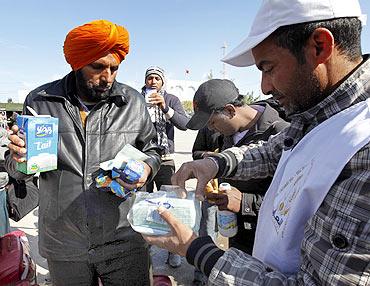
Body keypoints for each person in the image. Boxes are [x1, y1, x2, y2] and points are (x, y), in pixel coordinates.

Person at [143, 0, 370, 285]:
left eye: (268, 67)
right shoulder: (318, 112)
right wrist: (215, 163)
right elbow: (275, 150)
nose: (264, 87)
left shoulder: (363, 149)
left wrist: (195, 249)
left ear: (319, 47)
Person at [6, 20, 161, 286]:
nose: (108, 77)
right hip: (64, 242)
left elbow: (153, 150)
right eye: (98, 67)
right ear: (77, 63)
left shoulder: (133, 102)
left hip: (123, 239)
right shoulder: (41, 101)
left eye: (114, 68)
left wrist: (146, 168)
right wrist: (19, 159)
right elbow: (16, 168)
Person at [188, 78, 289, 254]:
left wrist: (245, 202)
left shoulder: (281, 134)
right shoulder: (229, 131)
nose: (211, 130)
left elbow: (292, 200)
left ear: (230, 110)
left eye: (212, 122)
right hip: (235, 230)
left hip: (269, 239)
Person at [142, 66, 189, 268]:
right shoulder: (136, 99)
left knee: (170, 204)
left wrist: (165, 108)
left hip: (165, 158)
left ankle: (173, 250)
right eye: (149, 78)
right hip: (142, 159)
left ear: (162, 82)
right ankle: (144, 248)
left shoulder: (171, 99)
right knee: (143, 203)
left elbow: (184, 123)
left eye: (157, 78)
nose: (153, 81)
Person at [191, 126, 223, 286]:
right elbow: (195, 152)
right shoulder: (208, 126)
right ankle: (202, 276)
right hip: (211, 188)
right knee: (208, 230)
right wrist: (208, 156)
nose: (214, 124)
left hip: (239, 193)